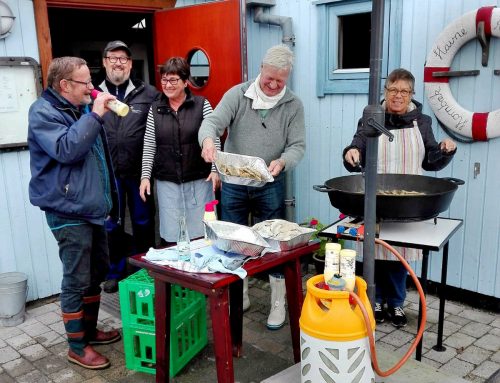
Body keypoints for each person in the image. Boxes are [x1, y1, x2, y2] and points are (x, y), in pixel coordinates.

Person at [198, 44, 306, 330]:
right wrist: (208, 141)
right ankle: (240, 294)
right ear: (261, 68)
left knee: (273, 243)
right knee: (235, 241)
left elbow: (297, 146)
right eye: (269, 77)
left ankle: (278, 302)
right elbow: (211, 123)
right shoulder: (238, 94)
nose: (272, 85)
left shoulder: (293, 105)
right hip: (234, 183)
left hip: (270, 181)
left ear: (287, 78)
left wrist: (283, 162)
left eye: (279, 81)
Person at [343, 68, 457, 328]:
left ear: (411, 94)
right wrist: (350, 152)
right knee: (375, 251)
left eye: (404, 91)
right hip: (376, 197)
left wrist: (444, 150)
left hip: (407, 200)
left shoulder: (422, 122)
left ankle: (395, 303)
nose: (397, 96)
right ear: (385, 91)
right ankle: (375, 301)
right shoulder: (372, 117)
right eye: (393, 90)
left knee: (399, 255)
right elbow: (357, 146)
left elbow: (430, 162)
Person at [27, 57, 122, 369]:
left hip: (91, 208)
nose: (92, 89)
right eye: (85, 83)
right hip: (67, 210)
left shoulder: (79, 108)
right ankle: (77, 346)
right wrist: (95, 114)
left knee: (97, 271)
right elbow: (67, 149)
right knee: (76, 279)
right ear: (64, 85)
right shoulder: (42, 112)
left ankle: (91, 330)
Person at [97, 41, 161, 293]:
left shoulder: (149, 93)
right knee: (111, 224)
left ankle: (145, 268)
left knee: (144, 221)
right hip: (108, 174)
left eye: (123, 58)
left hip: (139, 173)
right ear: (104, 62)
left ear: (130, 64)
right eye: (112, 57)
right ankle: (115, 271)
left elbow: (158, 131)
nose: (118, 63)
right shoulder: (93, 93)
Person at [139, 57, 220, 246]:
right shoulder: (155, 109)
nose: (167, 85)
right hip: (167, 181)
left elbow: (213, 138)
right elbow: (150, 144)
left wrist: (215, 170)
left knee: (202, 231)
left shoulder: (201, 104)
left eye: (173, 80)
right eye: (164, 80)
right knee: (173, 233)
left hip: (199, 180)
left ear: (185, 82)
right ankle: (177, 272)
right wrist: (145, 177)